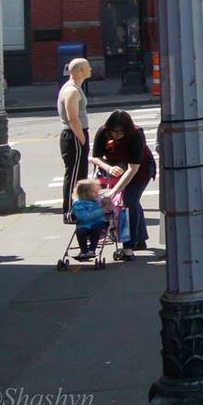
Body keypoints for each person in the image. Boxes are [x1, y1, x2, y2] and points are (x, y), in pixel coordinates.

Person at [91, 109, 155, 255]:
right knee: (133, 200)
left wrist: (114, 192)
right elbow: (95, 157)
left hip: (140, 169)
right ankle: (140, 238)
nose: (116, 135)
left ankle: (129, 246)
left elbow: (133, 168)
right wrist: (108, 168)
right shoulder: (103, 132)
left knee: (128, 201)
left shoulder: (136, 135)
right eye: (113, 131)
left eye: (120, 132)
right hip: (117, 168)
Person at [58, 58, 92, 223]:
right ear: (79, 70)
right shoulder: (71, 90)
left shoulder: (74, 88)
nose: (90, 69)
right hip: (74, 135)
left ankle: (77, 209)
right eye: (87, 67)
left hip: (76, 134)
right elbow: (73, 118)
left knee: (79, 174)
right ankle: (70, 212)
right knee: (74, 176)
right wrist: (82, 138)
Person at [71, 178, 112, 259]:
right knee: (80, 231)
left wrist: (108, 206)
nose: (97, 193)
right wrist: (102, 211)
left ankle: (92, 250)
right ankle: (84, 251)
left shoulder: (98, 200)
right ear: (85, 193)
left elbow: (109, 210)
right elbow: (84, 216)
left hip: (99, 222)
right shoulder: (78, 204)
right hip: (84, 224)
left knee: (97, 228)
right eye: (94, 192)